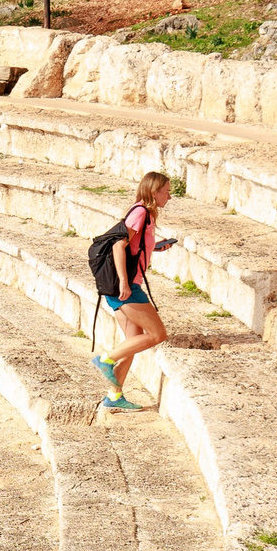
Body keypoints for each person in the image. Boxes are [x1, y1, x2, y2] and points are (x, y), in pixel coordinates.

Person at [92, 171, 176, 411]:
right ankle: (105, 360)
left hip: (123, 286)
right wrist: (124, 282)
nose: (169, 196)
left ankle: (114, 396)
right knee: (157, 334)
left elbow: (133, 245)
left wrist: (154, 248)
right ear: (154, 192)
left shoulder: (144, 214)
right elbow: (119, 245)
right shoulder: (141, 213)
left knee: (133, 342)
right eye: (166, 191)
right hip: (127, 286)